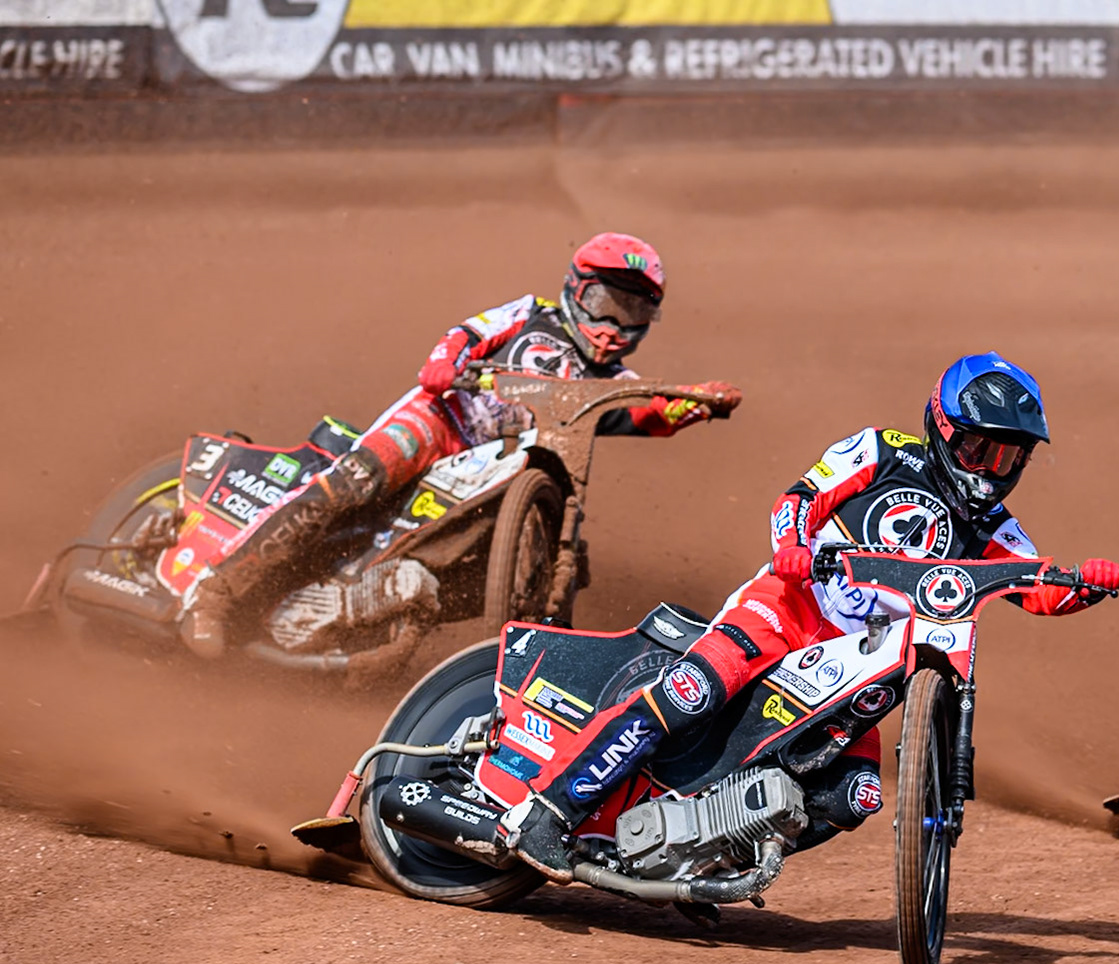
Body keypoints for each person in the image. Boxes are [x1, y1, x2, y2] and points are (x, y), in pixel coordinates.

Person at [500, 351, 1119, 881]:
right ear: (941, 425)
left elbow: (1037, 585)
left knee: (858, 794)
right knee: (692, 694)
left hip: (862, 664)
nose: (990, 470)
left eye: (1008, 458)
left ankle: (712, 855)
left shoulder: (994, 529)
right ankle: (544, 813)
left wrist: (1084, 583)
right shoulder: (883, 451)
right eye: (978, 448)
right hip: (786, 610)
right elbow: (798, 498)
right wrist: (793, 548)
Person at [181, 233, 740, 657]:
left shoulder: (613, 387)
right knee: (351, 485)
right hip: (443, 422)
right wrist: (446, 364)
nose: (614, 323)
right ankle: (216, 594)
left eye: (633, 311)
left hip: (494, 471)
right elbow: (468, 334)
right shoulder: (528, 314)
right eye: (605, 303)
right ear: (576, 290)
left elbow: (654, 414)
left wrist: (700, 401)